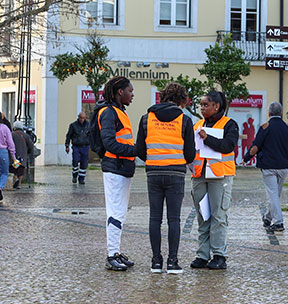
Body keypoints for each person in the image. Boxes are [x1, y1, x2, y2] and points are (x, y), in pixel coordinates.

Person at [137, 82, 196, 274]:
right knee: (174, 219)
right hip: (176, 173)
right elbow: (190, 154)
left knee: (155, 218)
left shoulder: (146, 119)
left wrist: (154, 158)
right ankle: (172, 262)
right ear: (181, 100)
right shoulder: (185, 120)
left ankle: (156, 261)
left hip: (153, 172)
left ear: (162, 97)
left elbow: (139, 150)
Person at [190, 91, 239, 271]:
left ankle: (219, 255)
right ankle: (202, 255)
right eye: (201, 105)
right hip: (199, 175)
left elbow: (228, 146)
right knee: (203, 216)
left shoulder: (229, 124)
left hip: (220, 176)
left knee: (218, 215)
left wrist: (207, 138)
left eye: (205, 105)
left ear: (216, 106)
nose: (202, 108)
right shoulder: (198, 125)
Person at [96, 76, 138, 272]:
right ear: (120, 92)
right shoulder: (108, 113)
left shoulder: (119, 112)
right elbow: (109, 144)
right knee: (114, 212)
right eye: (130, 91)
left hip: (123, 167)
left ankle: (116, 251)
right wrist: (136, 150)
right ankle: (112, 254)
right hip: (115, 167)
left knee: (120, 212)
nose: (132, 94)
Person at [243, 102, 288, 232]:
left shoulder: (265, 127)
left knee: (273, 195)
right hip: (283, 167)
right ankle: (267, 218)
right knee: (275, 195)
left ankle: (279, 222)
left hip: (269, 167)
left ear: (269, 113)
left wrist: (246, 158)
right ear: (281, 113)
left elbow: (255, 147)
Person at [65, 111, 91, 184]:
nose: (82, 119)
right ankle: (74, 176)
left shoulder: (88, 125)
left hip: (85, 146)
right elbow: (68, 136)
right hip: (76, 146)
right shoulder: (73, 125)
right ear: (78, 117)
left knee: (84, 163)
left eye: (83, 118)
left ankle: (81, 179)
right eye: (81, 118)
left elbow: (91, 135)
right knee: (75, 160)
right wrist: (67, 146)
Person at [10, 121, 31, 189]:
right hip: (22, 156)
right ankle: (19, 183)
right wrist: (28, 151)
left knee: (14, 169)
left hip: (13, 156)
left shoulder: (11, 134)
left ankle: (14, 181)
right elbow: (30, 145)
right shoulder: (26, 135)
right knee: (21, 169)